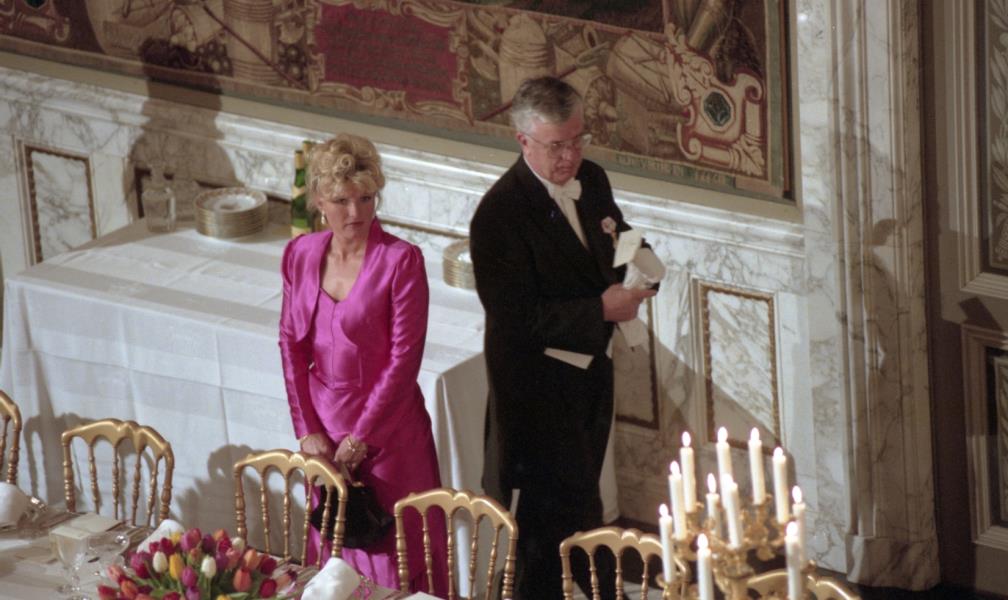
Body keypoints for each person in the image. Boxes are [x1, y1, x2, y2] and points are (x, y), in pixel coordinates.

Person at [470, 76, 656, 599]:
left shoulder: (590, 178)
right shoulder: (499, 215)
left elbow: (618, 235)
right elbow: (516, 320)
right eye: (557, 146)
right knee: (545, 537)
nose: (570, 156)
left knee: (583, 511)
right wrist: (600, 309)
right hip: (536, 400)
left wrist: (647, 266)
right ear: (522, 140)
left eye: (578, 140)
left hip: (590, 379)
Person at [278, 133, 447, 594]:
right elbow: (290, 344)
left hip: (391, 436)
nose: (356, 213)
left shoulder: (401, 261)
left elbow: (404, 360)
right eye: (342, 201)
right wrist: (307, 429)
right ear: (319, 201)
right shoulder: (300, 254)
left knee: (397, 558)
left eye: (366, 199)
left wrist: (362, 436)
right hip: (324, 436)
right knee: (335, 551)